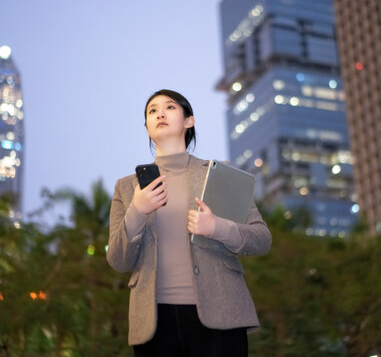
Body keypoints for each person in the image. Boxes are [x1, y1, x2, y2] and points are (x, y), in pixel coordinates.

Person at [106, 89, 272, 357]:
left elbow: (261, 239)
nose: (159, 113)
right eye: (152, 111)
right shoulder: (127, 188)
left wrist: (217, 228)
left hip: (221, 314)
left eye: (170, 107)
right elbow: (117, 260)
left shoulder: (220, 174)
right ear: (147, 127)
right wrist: (137, 211)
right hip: (154, 324)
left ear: (188, 121)